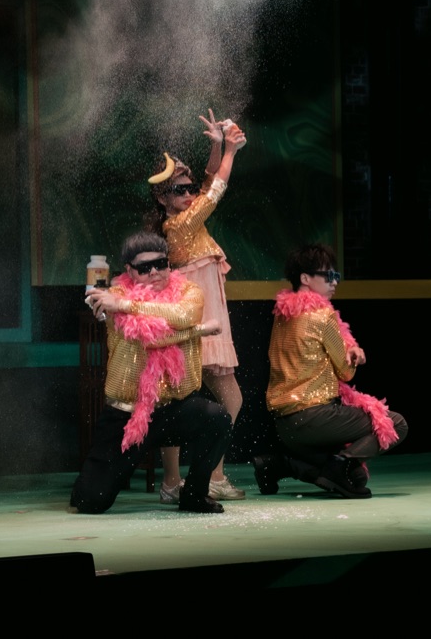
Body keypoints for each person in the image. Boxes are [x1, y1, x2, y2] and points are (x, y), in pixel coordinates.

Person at [70, 232, 232, 514]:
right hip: (128, 413)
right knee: (90, 502)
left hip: (173, 408)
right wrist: (200, 331)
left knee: (217, 419)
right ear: (130, 271)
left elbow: (184, 316)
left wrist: (129, 307)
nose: (155, 272)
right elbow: (149, 339)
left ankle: (193, 495)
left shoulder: (189, 292)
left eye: (161, 264)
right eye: (145, 268)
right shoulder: (115, 295)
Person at [144, 111, 249, 502]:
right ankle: (176, 482)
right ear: (161, 197)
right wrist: (232, 151)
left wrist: (217, 144)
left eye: (189, 189)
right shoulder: (180, 226)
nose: (189, 194)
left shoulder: (185, 216)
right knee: (177, 399)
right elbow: (216, 188)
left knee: (227, 398)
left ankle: (210, 475)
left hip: (210, 318)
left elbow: (207, 182)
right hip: (191, 319)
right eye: (179, 190)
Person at [253, 243, 408, 499]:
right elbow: (346, 373)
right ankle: (339, 464)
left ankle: (277, 463)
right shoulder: (322, 315)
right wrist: (354, 356)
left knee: (356, 479)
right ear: (305, 278)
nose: (335, 282)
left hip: (285, 426)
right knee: (396, 423)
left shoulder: (283, 313)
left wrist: (350, 346)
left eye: (336, 276)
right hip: (314, 418)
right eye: (329, 276)